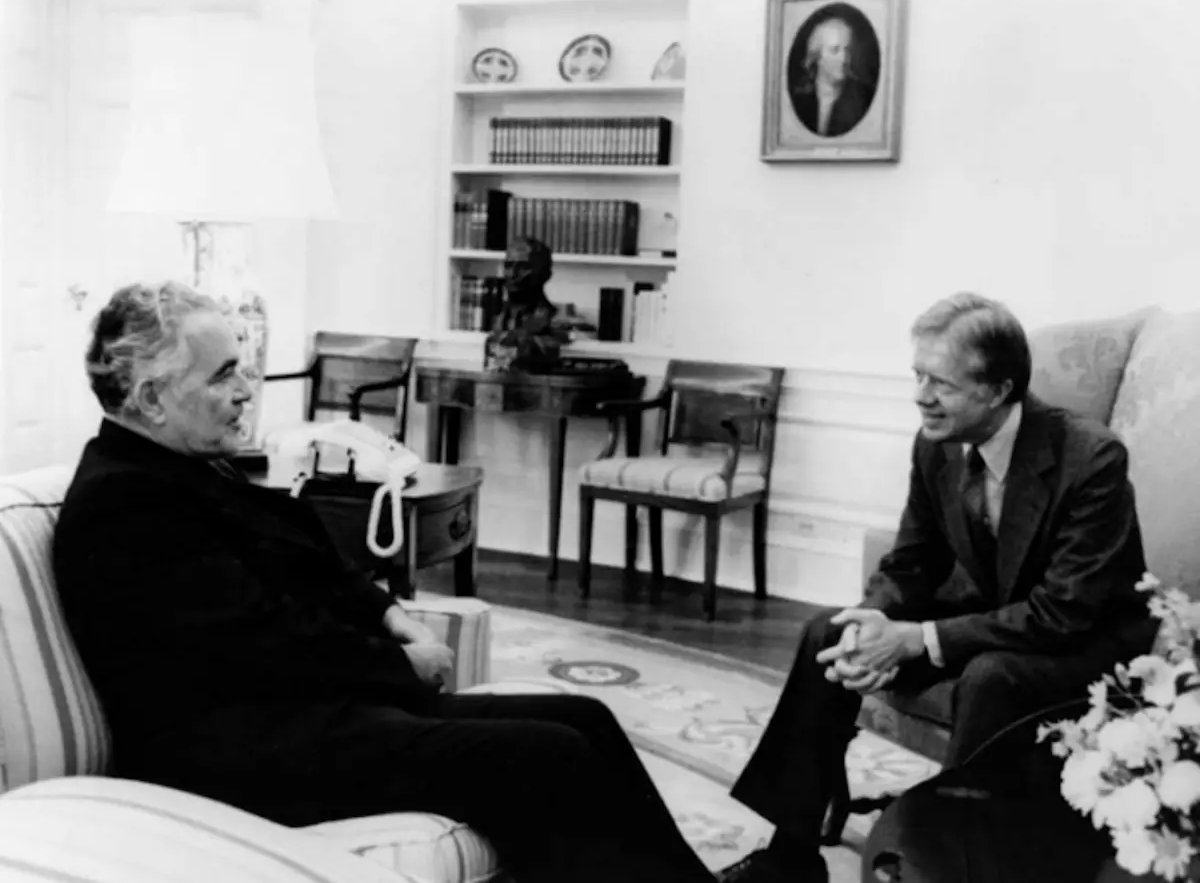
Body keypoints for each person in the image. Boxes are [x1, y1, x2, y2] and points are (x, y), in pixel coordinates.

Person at [53, 281, 717, 883]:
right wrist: (401, 664)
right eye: (224, 374)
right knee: (545, 754)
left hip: (300, 715)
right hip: (236, 756)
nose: (247, 388)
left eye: (244, 367)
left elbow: (302, 560)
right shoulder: (123, 504)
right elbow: (266, 640)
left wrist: (384, 610)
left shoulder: (185, 463)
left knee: (583, 716)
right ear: (150, 398)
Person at [718, 294, 1160, 883]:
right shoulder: (935, 444)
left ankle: (945, 866)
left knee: (991, 678)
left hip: (1085, 647)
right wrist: (871, 623)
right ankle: (789, 856)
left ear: (998, 390)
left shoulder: (1091, 458)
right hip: (997, 620)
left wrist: (916, 640)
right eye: (918, 376)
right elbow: (912, 562)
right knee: (829, 633)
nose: (920, 395)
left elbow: (1064, 612)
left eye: (940, 383)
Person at [484, 236, 569, 372]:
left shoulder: (555, 321)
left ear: (545, 274)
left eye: (523, 267)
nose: (512, 274)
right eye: (508, 266)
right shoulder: (497, 319)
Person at [788, 16, 873, 138]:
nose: (844, 59)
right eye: (835, 50)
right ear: (817, 56)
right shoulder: (799, 97)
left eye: (847, 50)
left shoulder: (864, 97)